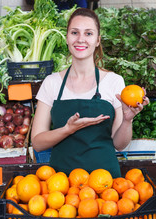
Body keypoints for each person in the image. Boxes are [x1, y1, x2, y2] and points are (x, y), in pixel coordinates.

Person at [31, 8, 149, 177]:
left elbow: (120, 144)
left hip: (106, 186)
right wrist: (67, 129)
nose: (80, 39)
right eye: (74, 32)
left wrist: (127, 121)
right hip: (61, 188)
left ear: (98, 40)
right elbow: (37, 142)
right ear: (67, 38)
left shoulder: (114, 82)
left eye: (88, 33)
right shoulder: (52, 83)